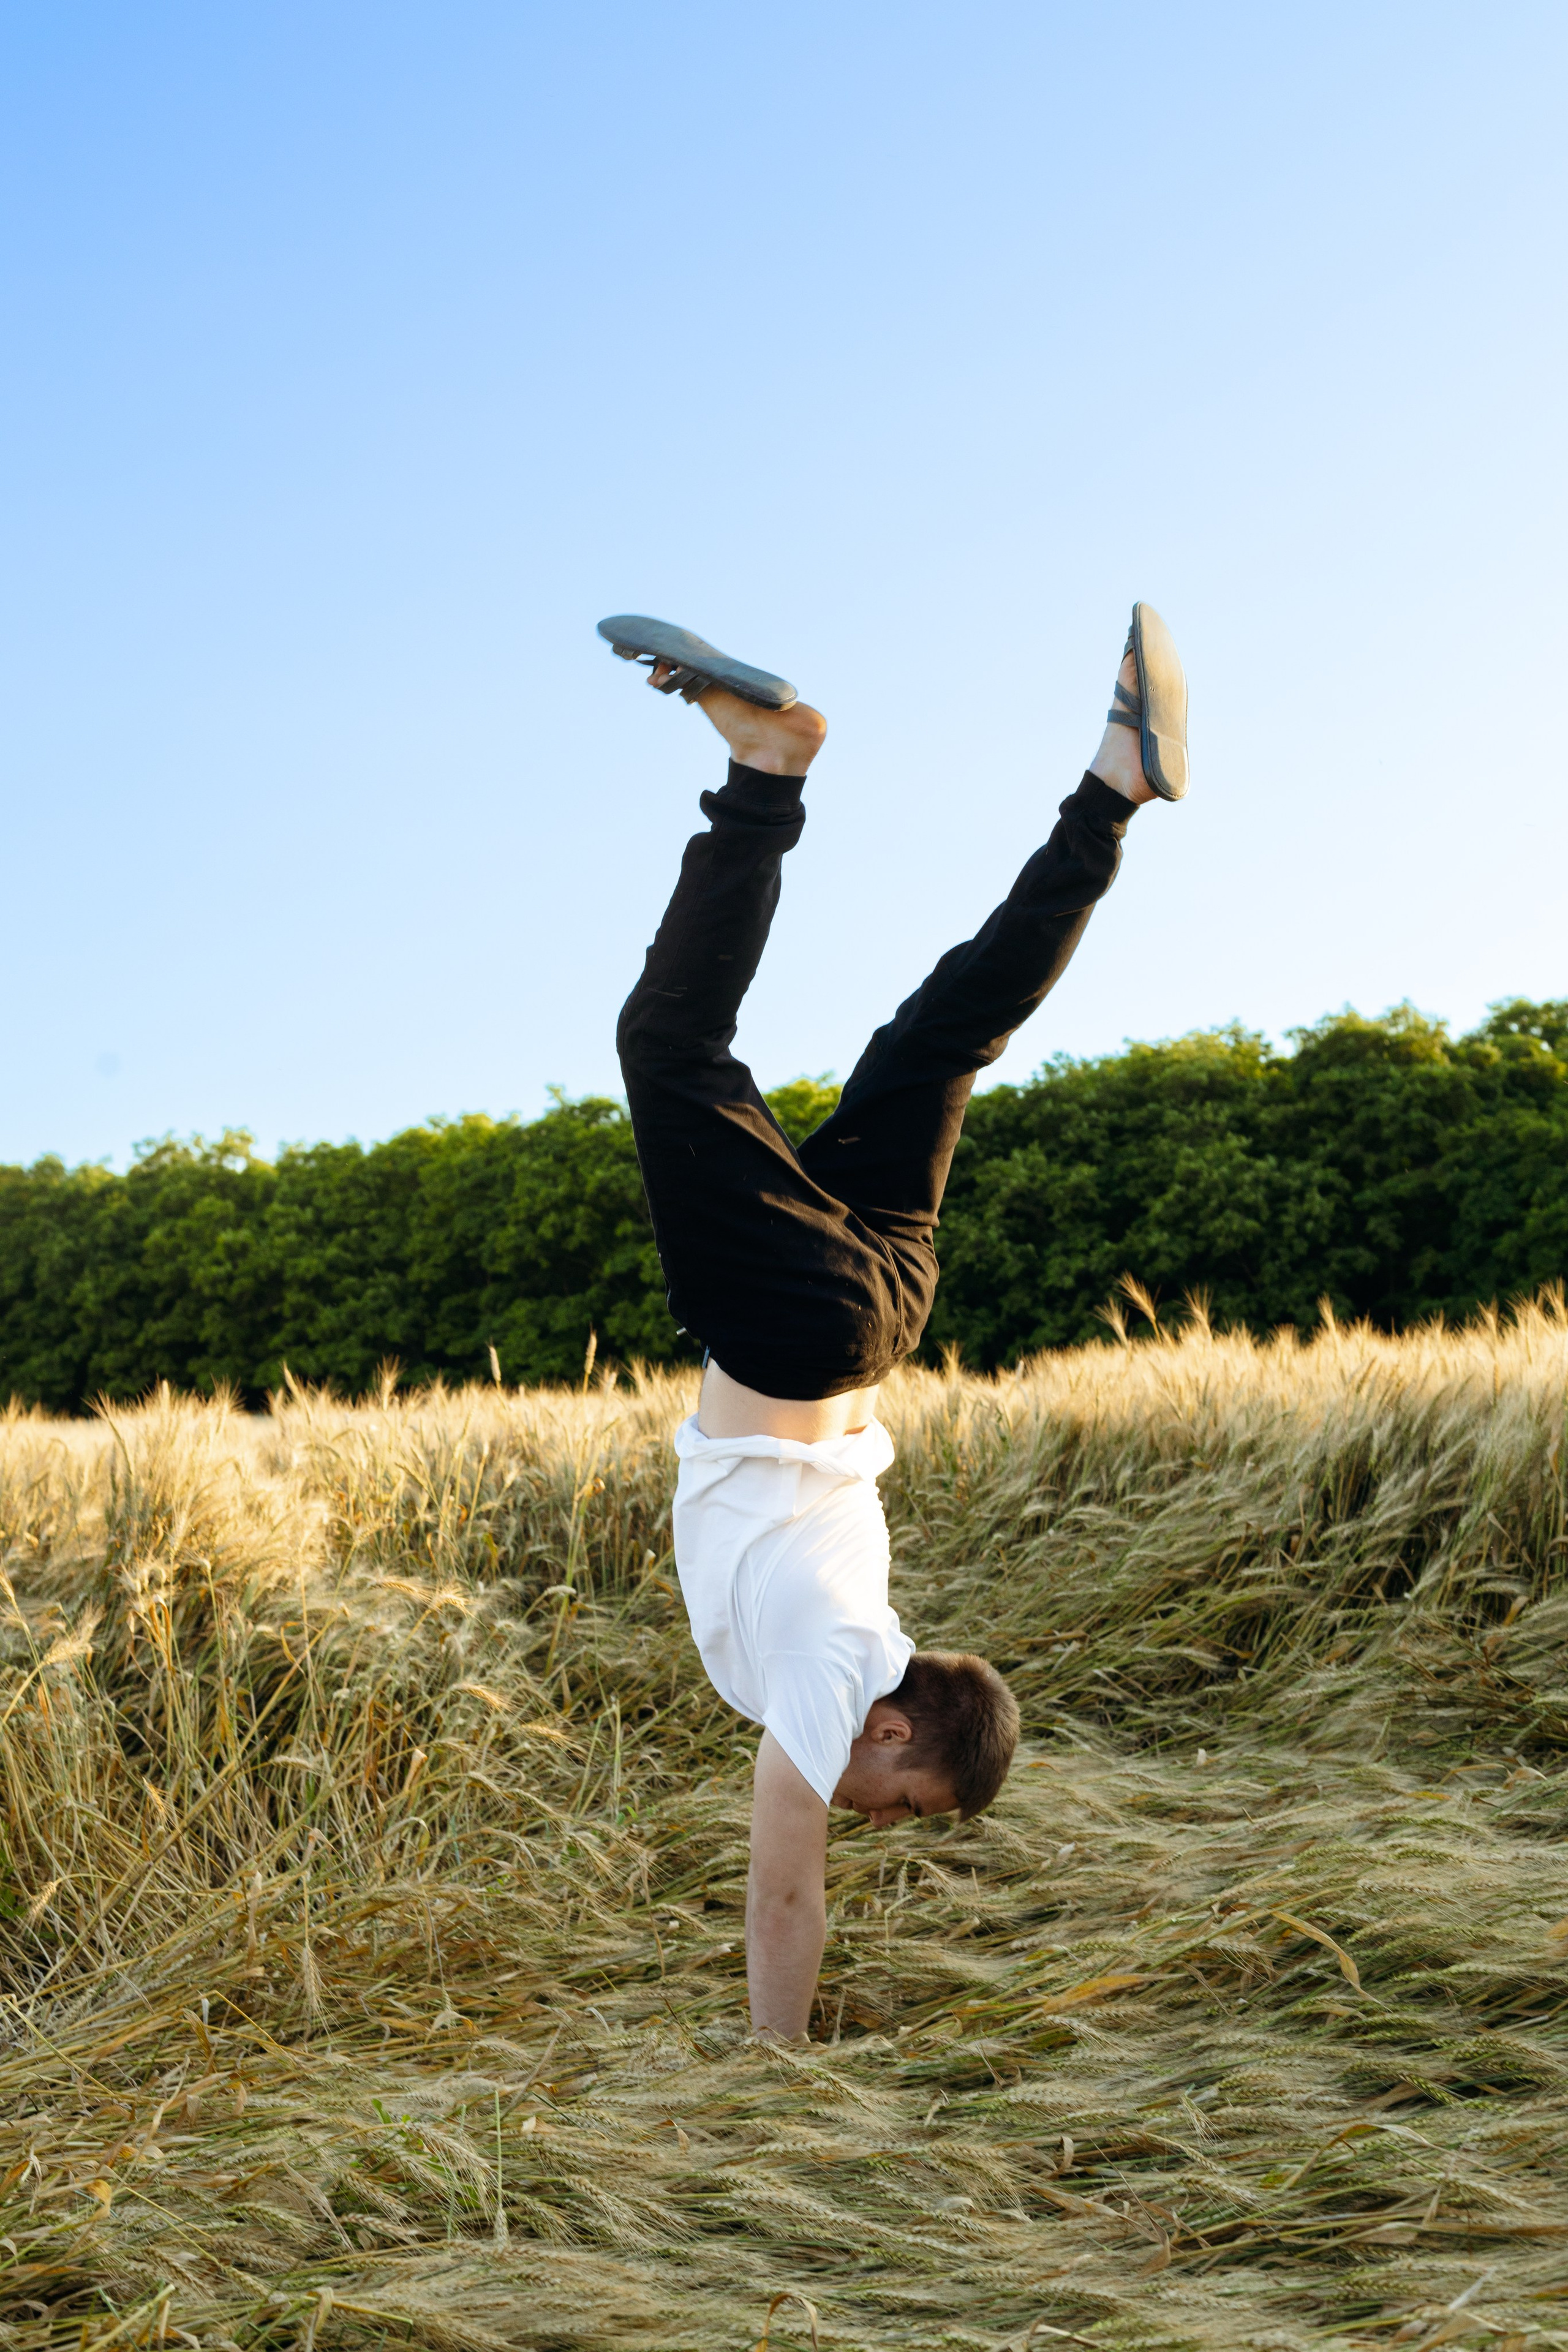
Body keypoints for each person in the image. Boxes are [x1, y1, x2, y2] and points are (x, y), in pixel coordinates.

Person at [606, 606, 1188, 2039]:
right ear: (890, 1729)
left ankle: (1111, 791)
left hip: (881, 1317)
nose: (870, 1818)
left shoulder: (867, 1616)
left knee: (944, 1032)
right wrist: (773, 2066)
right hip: (801, 1334)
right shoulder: (826, 1676)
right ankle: (768, 770)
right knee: (669, 1047)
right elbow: (783, 1893)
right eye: (899, 1800)